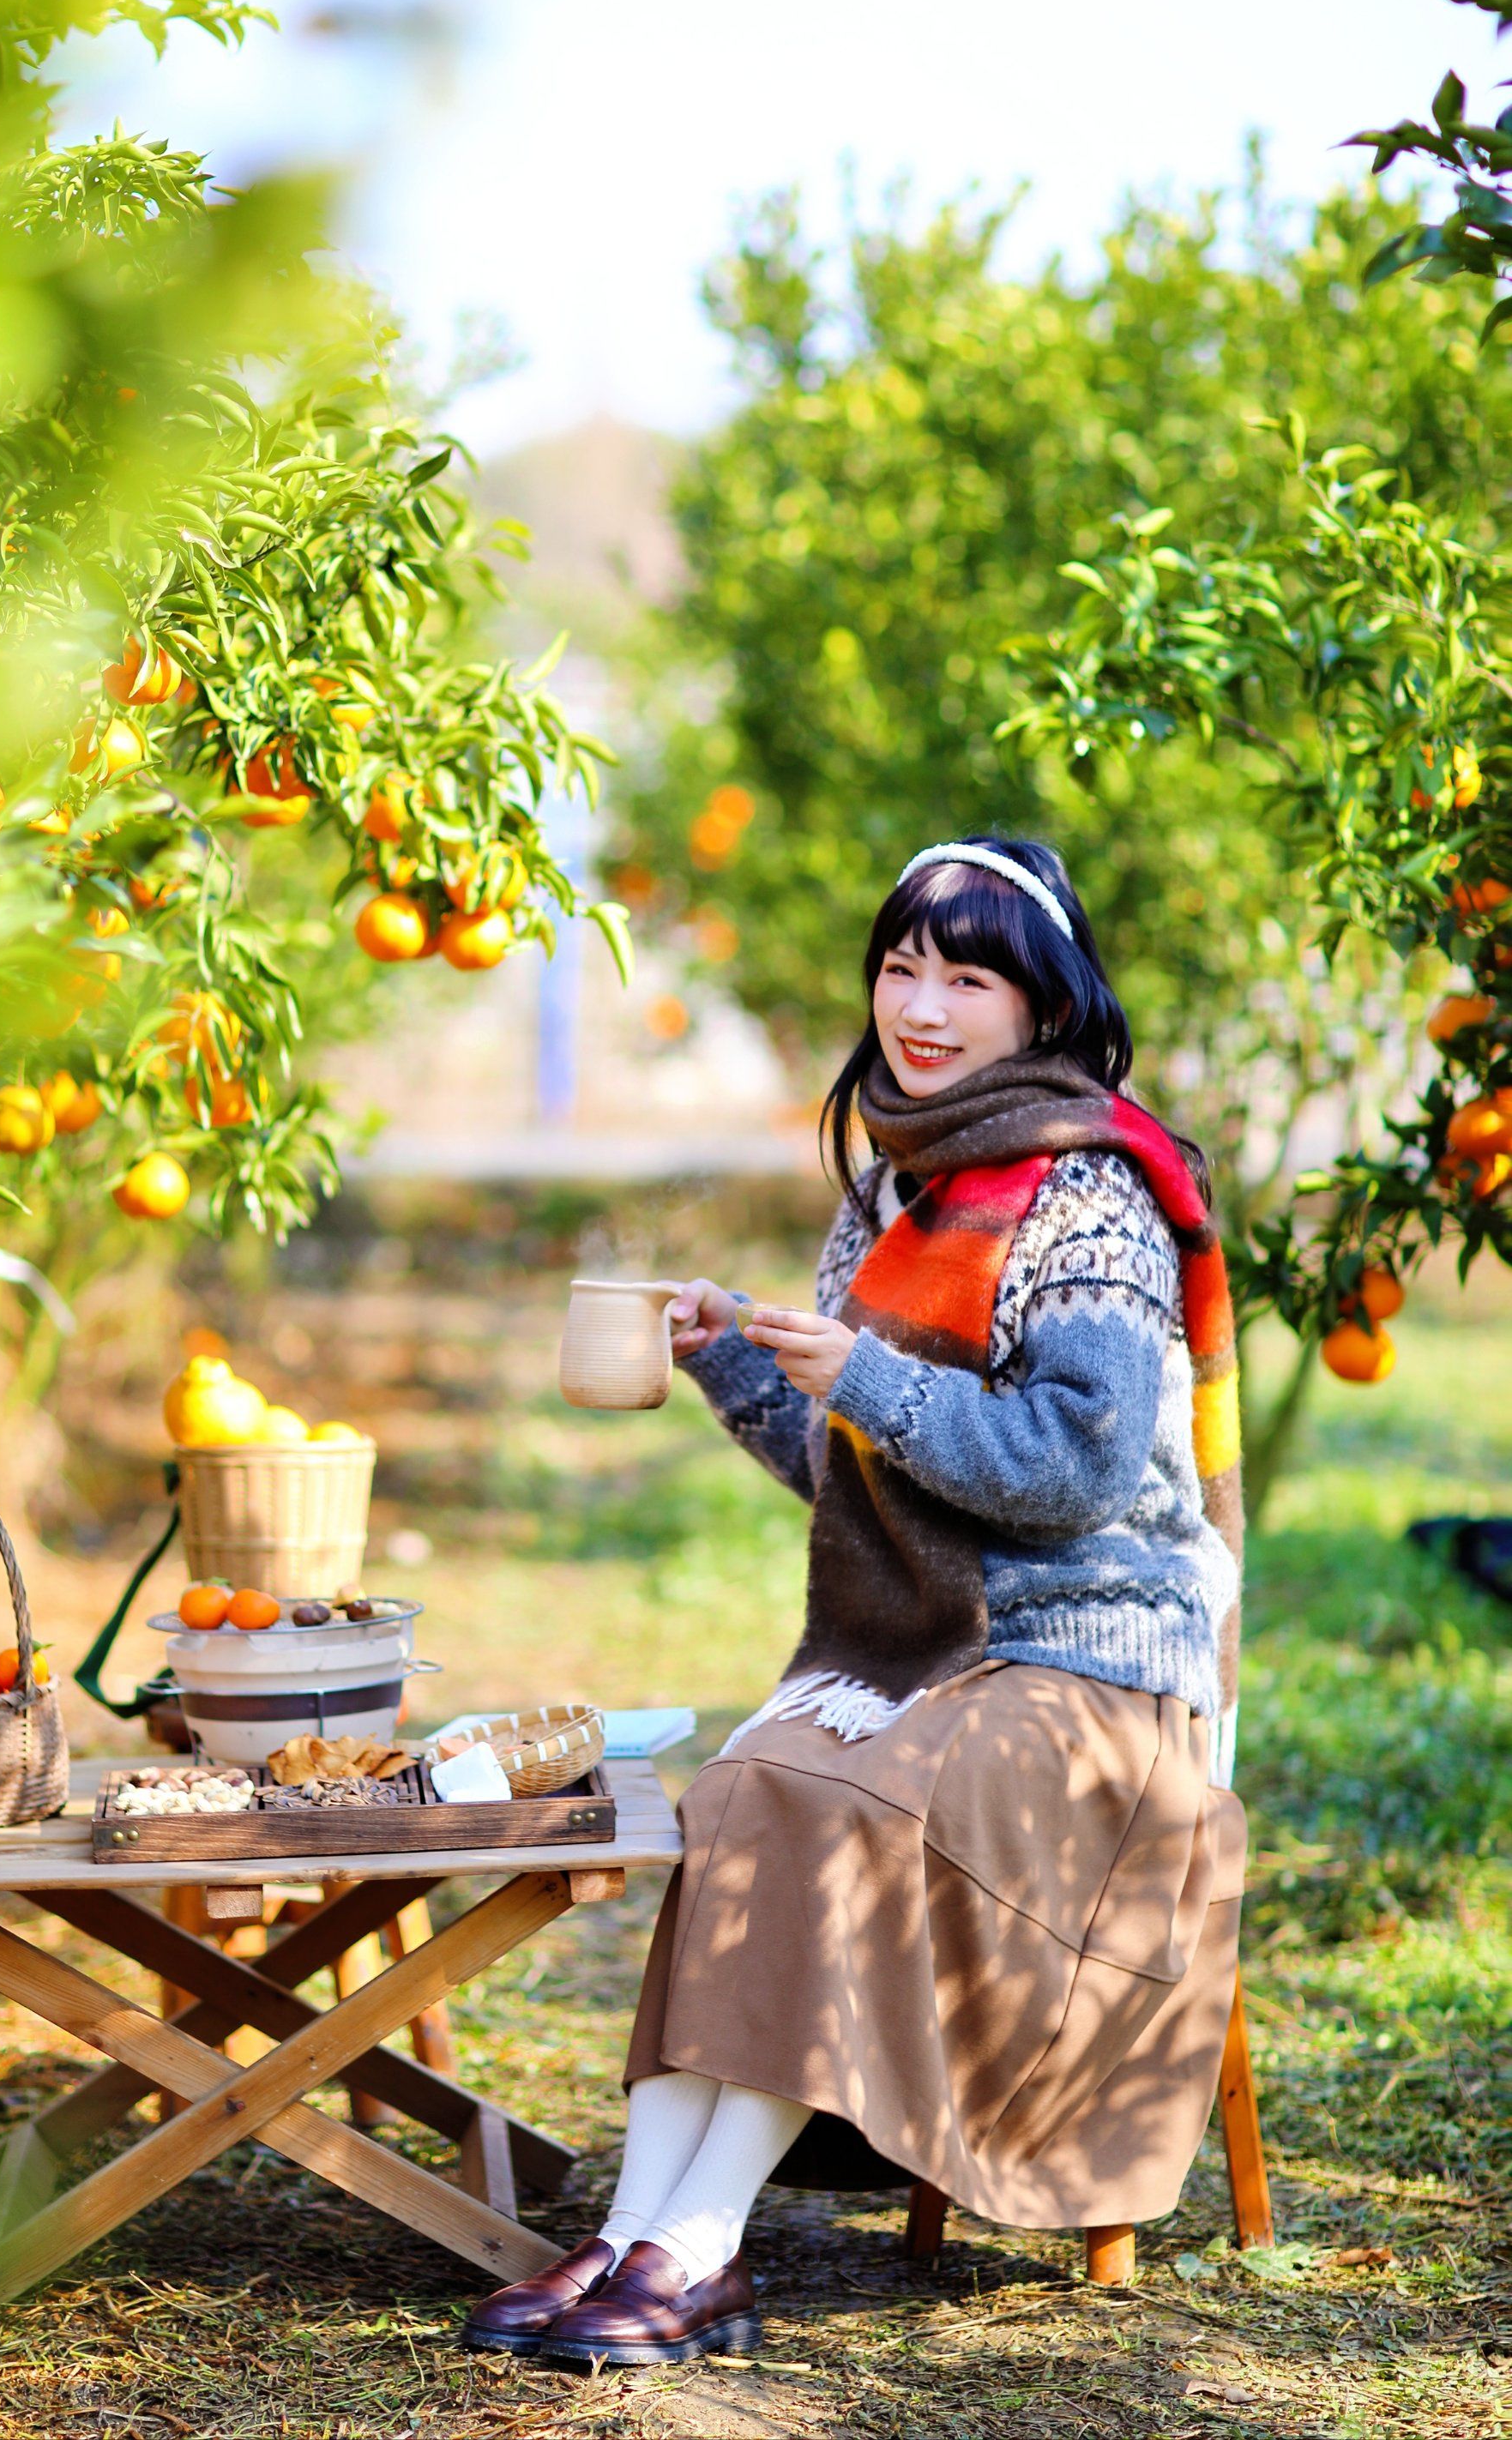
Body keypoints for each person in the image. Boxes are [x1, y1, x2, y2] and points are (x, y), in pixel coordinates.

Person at [464, 835, 1247, 2371]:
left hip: (1093, 1660)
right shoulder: (891, 1189)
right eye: (903, 965)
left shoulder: (1093, 1198)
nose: (924, 1005)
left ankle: (698, 2245)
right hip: (939, 1648)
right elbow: (863, 1475)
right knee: (752, 1782)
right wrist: (736, 1364)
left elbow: (1079, 1470)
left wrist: (871, 1381)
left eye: (969, 975)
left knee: (838, 1795)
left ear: (1041, 1005)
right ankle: (639, 2228)